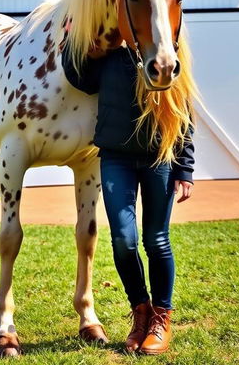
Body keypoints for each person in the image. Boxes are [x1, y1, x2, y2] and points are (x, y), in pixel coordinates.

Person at [62, 43, 194, 355]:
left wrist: (184, 168)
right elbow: (78, 77)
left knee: (156, 240)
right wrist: (73, 43)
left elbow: (184, 110)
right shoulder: (107, 55)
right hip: (115, 159)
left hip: (158, 158)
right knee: (123, 239)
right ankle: (141, 311)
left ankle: (161, 318)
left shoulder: (165, 54)